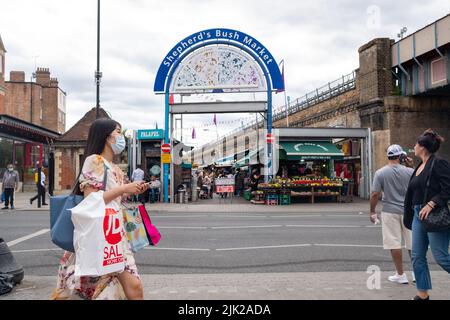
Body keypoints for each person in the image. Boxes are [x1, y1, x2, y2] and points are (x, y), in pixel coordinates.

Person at [51, 118, 149, 300]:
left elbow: (112, 198)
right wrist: (124, 189)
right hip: (98, 236)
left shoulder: (115, 168)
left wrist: (131, 190)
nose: (122, 137)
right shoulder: (94, 161)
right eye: (118, 132)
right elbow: (91, 199)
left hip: (115, 235)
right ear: (107, 136)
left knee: (131, 286)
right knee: (105, 289)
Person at [404, 129, 450, 300]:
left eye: (416, 144)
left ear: (422, 147)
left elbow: (448, 188)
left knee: (441, 257)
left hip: (435, 214)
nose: (414, 147)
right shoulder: (419, 165)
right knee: (417, 256)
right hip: (417, 215)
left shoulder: (438, 163)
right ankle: (422, 294)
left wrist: (432, 203)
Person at [370, 144, 415, 284]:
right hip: (408, 211)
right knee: (413, 244)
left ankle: (400, 275)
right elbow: (417, 185)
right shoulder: (409, 171)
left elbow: (375, 194)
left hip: (389, 211)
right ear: (401, 156)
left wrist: (372, 211)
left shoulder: (380, 173)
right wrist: (411, 166)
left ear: (388, 156)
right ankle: (416, 273)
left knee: (394, 243)